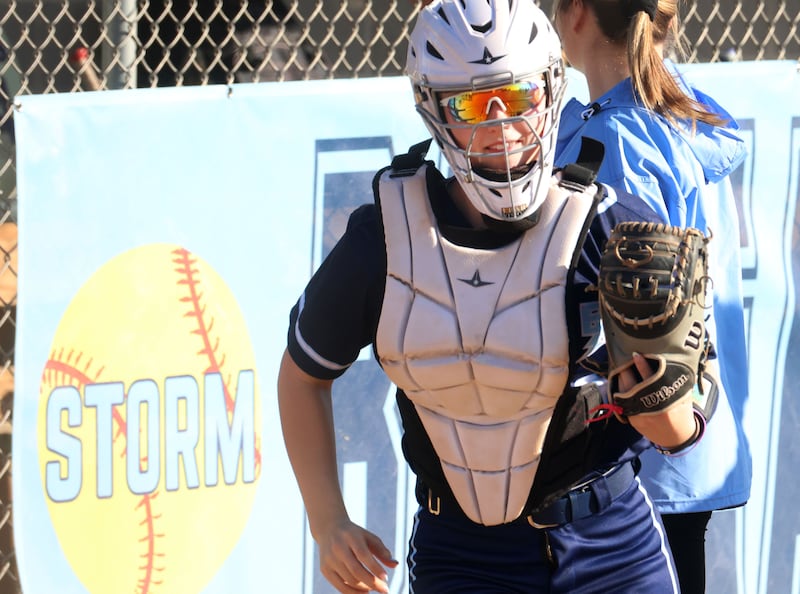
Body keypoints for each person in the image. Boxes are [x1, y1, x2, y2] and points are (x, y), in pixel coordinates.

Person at [277, 0, 701, 592]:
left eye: (519, 98)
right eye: (473, 105)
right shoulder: (389, 237)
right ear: (434, 110)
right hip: (464, 554)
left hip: (611, 545)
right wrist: (327, 522)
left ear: (551, 92)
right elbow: (302, 375)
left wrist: (655, 389)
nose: (502, 127)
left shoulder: (611, 230)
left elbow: (676, 433)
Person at [552, 1, 752, 593]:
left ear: (580, 12)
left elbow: (644, 318)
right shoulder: (682, 108)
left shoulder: (615, 140)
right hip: (682, 442)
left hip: (640, 454)